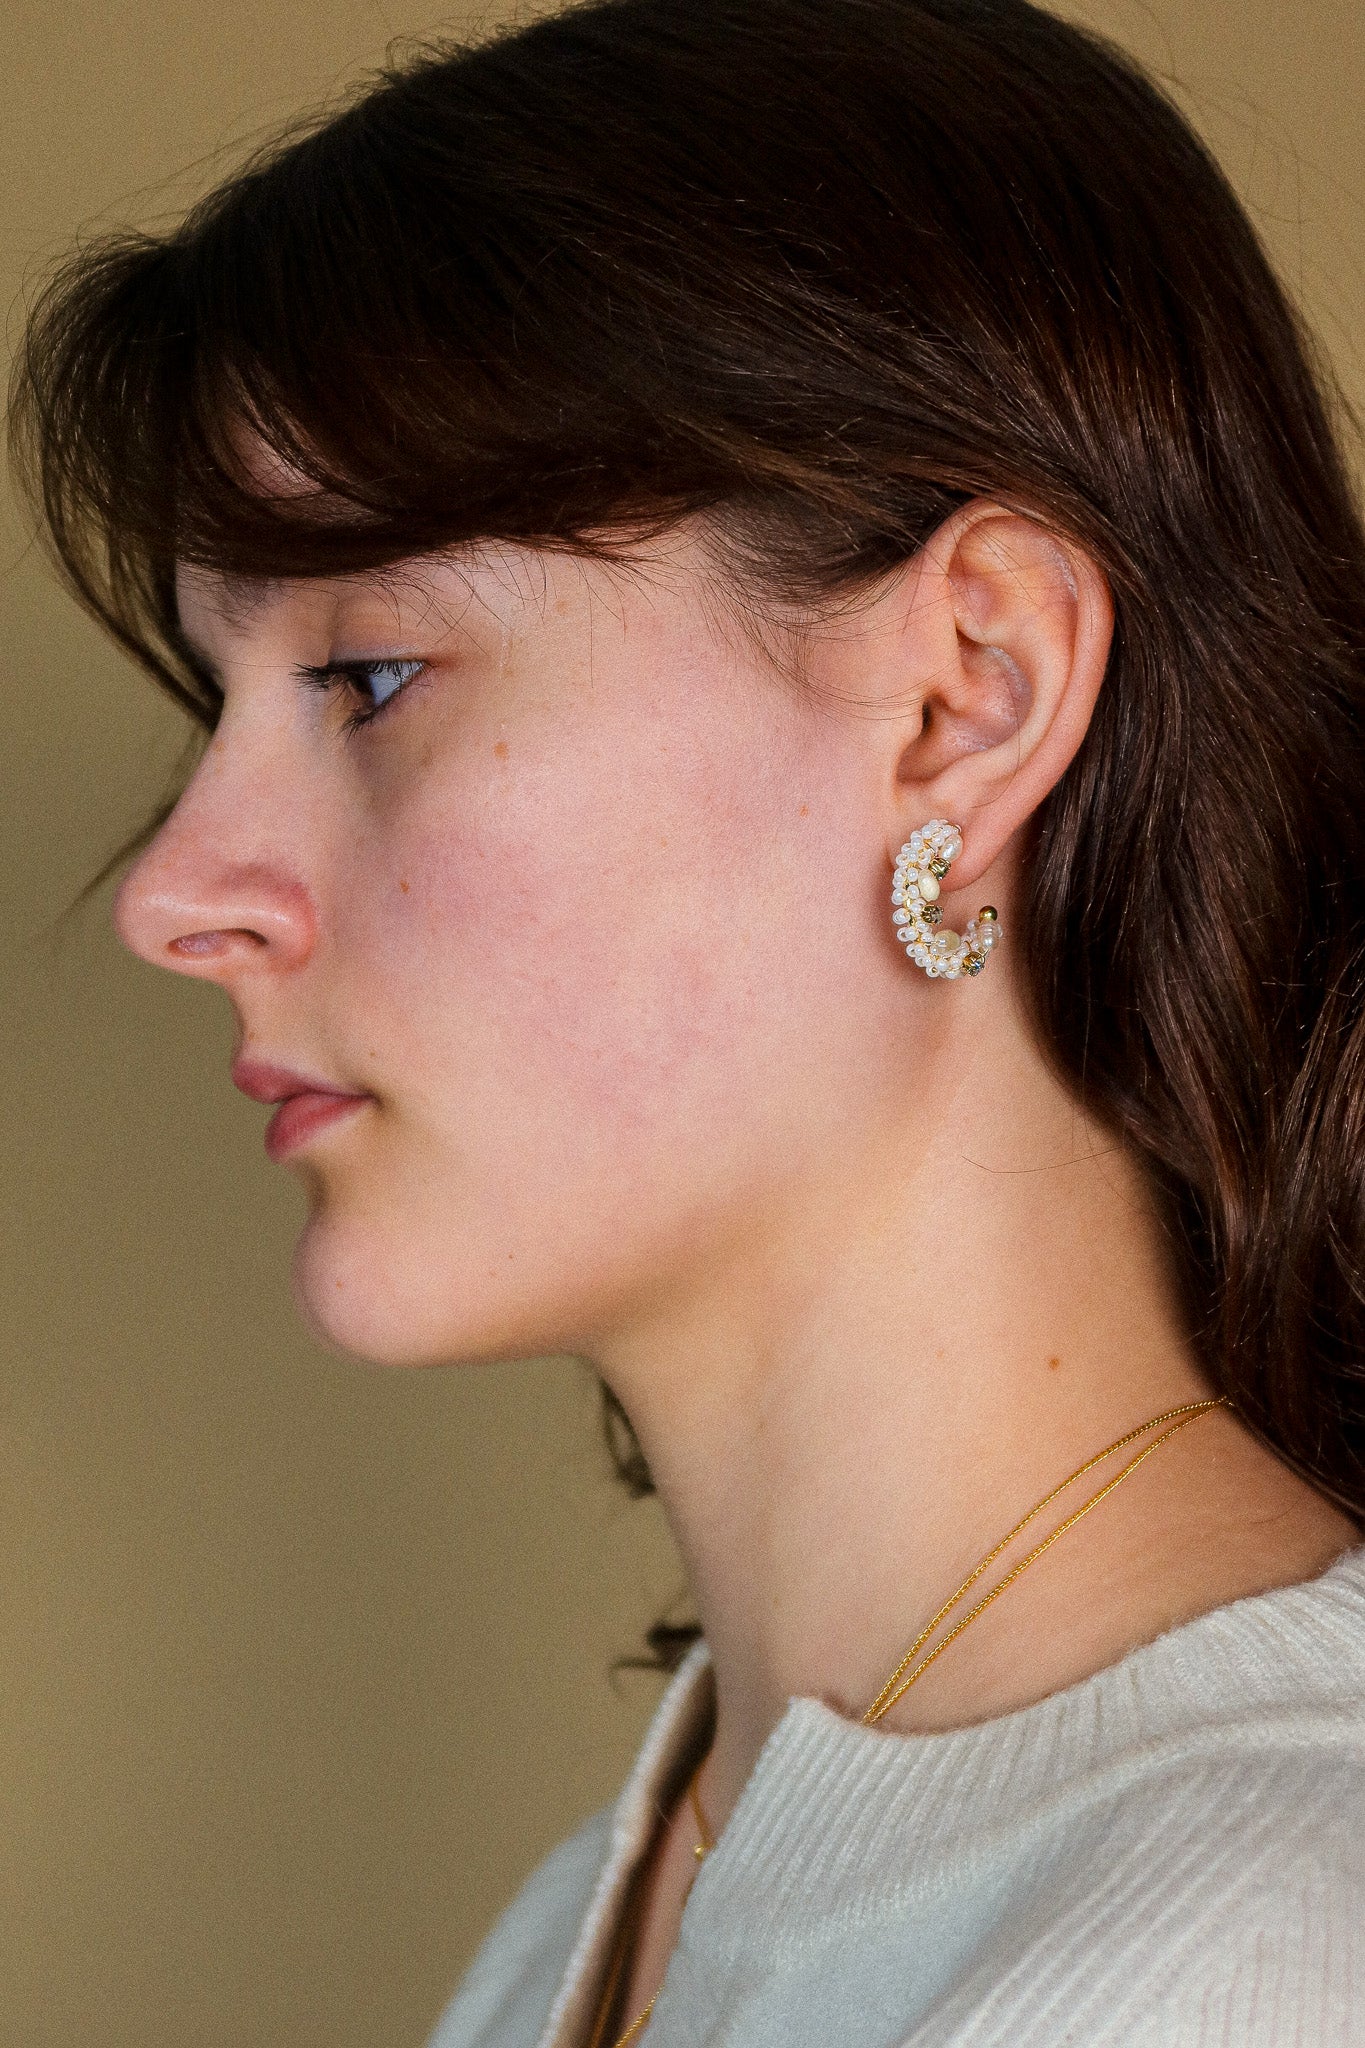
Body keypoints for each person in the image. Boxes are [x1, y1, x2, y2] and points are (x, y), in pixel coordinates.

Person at [12, 0, 1365, 2039]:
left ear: (963, 695)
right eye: (224, 706)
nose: (180, 892)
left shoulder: (1243, 1954)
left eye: (368, 675)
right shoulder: (628, 1891)